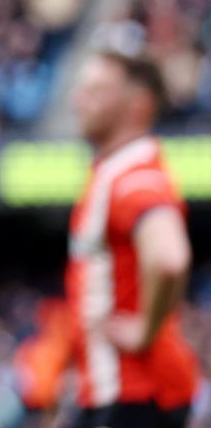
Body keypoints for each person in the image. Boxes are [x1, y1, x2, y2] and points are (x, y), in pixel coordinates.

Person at [65, 43, 198, 427]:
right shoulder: (114, 172)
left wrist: (145, 330)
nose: (78, 101)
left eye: (96, 91)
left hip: (136, 394)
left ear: (137, 104)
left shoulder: (134, 178)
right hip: (119, 392)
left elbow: (170, 258)